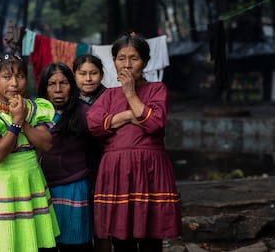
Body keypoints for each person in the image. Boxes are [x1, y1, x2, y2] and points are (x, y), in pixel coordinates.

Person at [86, 32, 182, 252]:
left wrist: (130, 95)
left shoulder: (157, 89)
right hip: (117, 170)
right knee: (121, 239)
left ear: (146, 62)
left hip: (149, 169)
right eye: (121, 58)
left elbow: (155, 123)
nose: (127, 65)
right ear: (114, 61)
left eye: (134, 58)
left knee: (151, 238)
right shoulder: (108, 95)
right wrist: (129, 116)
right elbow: (94, 126)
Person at [0, 53, 60, 252]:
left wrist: (23, 120)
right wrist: (15, 122)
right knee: (4, 243)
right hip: (1, 187)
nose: (14, 83)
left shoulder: (37, 108)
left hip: (31, 183)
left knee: (35, 244)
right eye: (6, 77)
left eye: (20, 76)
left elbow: (46, 144)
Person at [37, 62, 94, 252]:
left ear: (72, 85)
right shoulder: (34, 113)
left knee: (76, 245)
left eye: (64, 83)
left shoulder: (84, 112)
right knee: (46, 244)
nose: (58, 90)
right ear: (44, 88)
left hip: (74, 187)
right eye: (52, 84)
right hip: (42, 189)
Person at [72, 54, 111, 252]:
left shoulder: (110, 98)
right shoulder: (68, 100)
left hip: (104, 160)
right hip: (76, 164)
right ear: (75, 75)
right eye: (83, 73)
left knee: (102, 220)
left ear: (102, 75)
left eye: (93, 73)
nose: (88, 79)